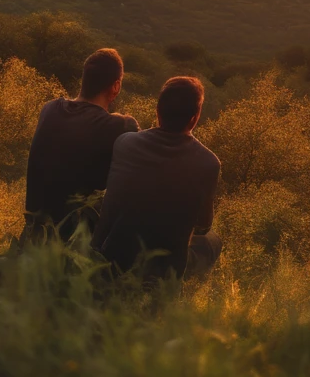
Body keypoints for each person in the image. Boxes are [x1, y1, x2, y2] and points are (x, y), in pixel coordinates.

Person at [93, 76, 221, 281]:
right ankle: (185, 296)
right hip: (164, 274)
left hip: (111, 260)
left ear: (158, 111)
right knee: (212, 240)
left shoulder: (125, 143)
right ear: (195, 118)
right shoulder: (208, 163)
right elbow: (203, 225)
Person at [25, 48, 138, 236]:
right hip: (73, 239)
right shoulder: (119, 126)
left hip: (33, 232)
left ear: (84, 79)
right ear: (116, 86)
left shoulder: (50, 109)